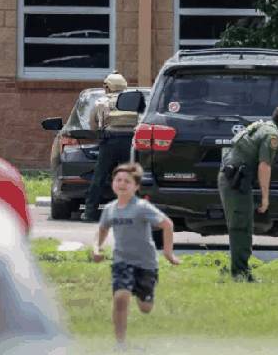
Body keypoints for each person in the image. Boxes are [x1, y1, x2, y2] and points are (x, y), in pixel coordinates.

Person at [92, 163, 180, 350]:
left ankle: (146, 296)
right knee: (120, 297)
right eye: (118, 180)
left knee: (145, 308)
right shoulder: (110, 209)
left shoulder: (142, 207)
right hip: (121, 262)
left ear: (136, 187)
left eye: (127, 181)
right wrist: (97, 248)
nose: (122, 184)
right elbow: (102, 229)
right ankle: (120, 344)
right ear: (113, 183)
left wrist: (168, 253)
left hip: (146, 264)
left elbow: (167, 224)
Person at [217, 104, 278, 280]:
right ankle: (240, 272)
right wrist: (265, 197)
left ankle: (237, 266)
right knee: (241, 227)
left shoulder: (262, 126)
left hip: (232, 179)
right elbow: (264, 166)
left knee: (241, 224)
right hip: (235, 181)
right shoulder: (272, 135)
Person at [83, 72, 138, 222]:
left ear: (108, 86)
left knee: (99, 178)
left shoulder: (101, 101)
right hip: (130, 143)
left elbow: (93, 126)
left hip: (109, 142)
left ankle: (90, 212)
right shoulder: (134, 101)